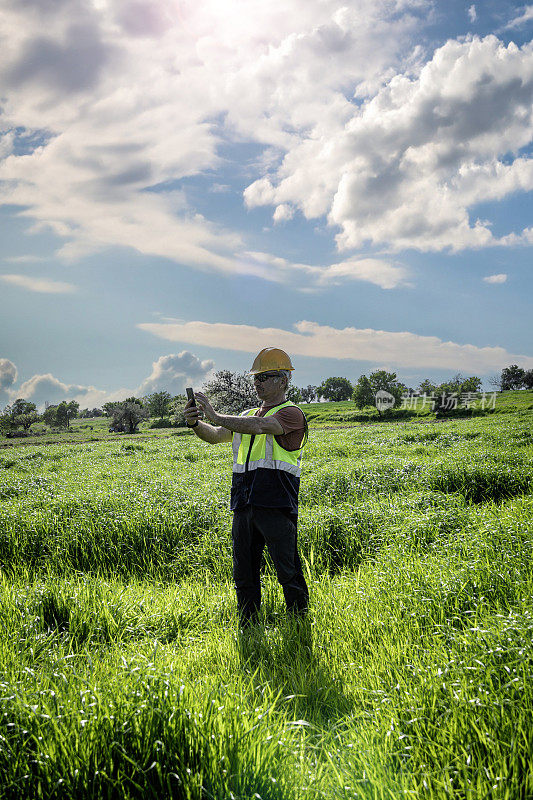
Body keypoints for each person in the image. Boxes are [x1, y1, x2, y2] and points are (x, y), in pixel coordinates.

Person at [184, 347, 309, 628]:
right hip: (243, 501)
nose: (258, 383)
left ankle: (300, 624)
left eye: (265, 377)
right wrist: (195, 423)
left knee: (287, 569)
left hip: (276, 502)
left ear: (284, 380)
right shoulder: (246, 414)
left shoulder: (291, 413)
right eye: (256, 378)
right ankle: (248, 626)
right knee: (244, 573)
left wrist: (216, 415)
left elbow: (263, 426)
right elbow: (216, 436)